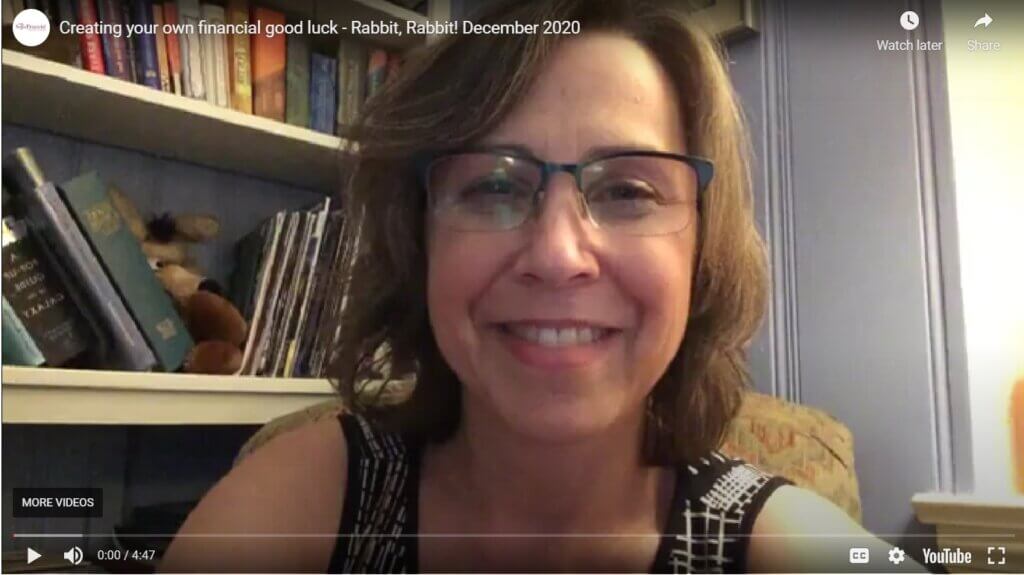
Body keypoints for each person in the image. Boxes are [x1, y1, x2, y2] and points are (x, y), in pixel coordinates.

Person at [161, 0, 924, 572]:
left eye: (627, 191)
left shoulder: (784, 546)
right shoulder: (307, 498)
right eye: (493, 186)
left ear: (702, 249)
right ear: (420, 240)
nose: (558, 255)